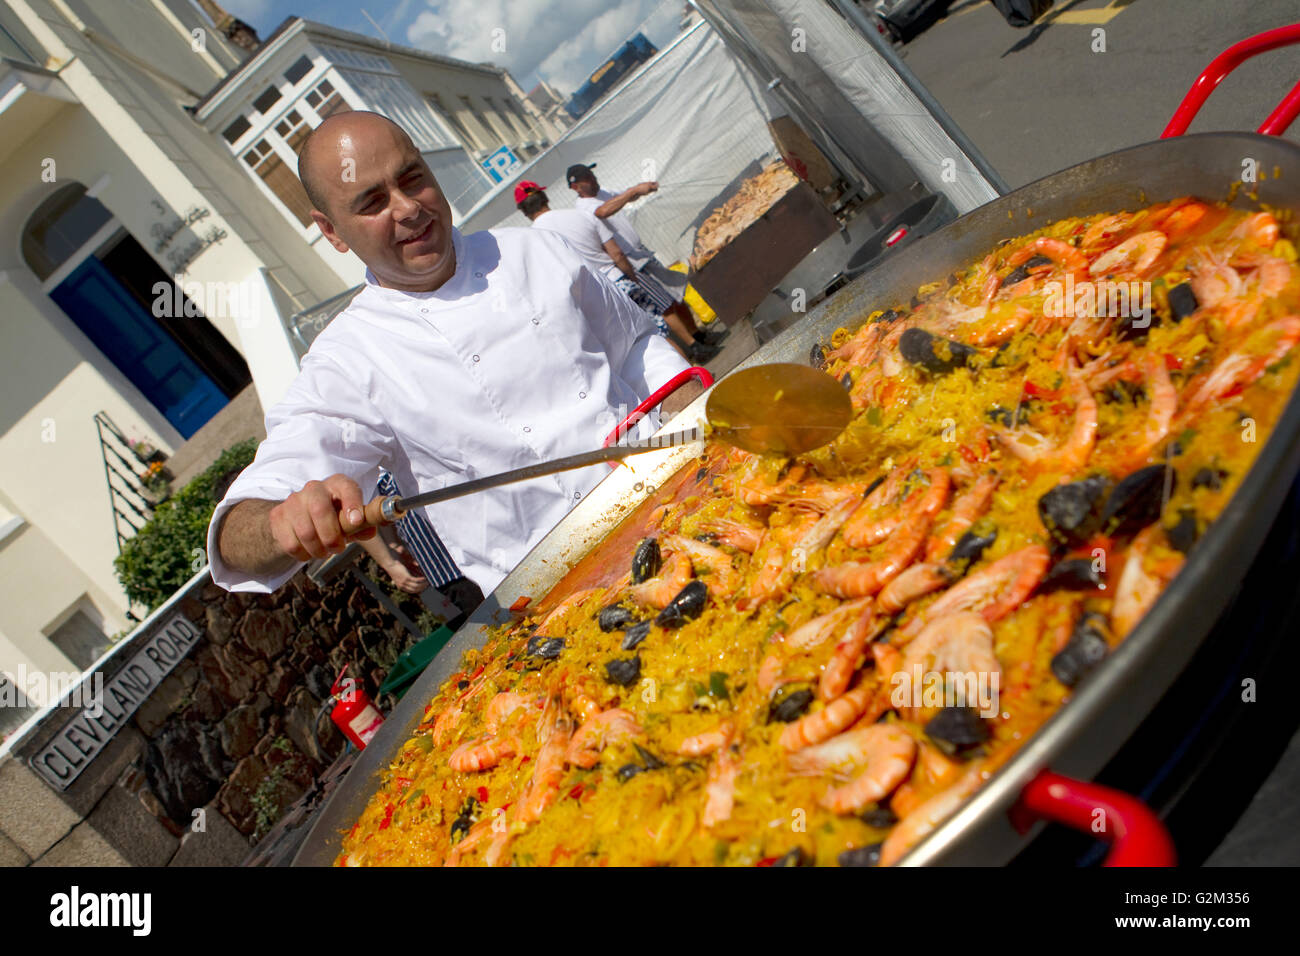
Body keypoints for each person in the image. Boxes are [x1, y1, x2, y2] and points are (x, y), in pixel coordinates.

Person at [207, 112, 695, 599]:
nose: (407, 209)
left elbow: (634, 345)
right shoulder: (347, 359)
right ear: (332, 232)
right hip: (554, 598)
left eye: (412, 179)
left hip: (677, 502)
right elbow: (237, 532)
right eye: (373, 202)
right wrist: (280, 524)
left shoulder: (533, 250)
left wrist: (699, 421)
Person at [515, 181, 719, 365]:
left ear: (523, 211)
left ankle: (683, 375)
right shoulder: (579, 215)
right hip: (618, 278)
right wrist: (631, 277)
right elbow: (616, 252)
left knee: (642, 341)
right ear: (545, 198)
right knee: (658, 330)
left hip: (593, 295)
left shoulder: (535, 239)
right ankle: (690, 369)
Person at [567, 163, 727, 349]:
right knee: (663, 303)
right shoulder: (583, 207)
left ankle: (698, 334)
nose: (593, 179)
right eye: (587, 178)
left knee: (674, 294)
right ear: (575, 187)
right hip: (630, 261)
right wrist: (632, 191)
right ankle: (693, 346)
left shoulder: (603, 193)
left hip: (640, 252)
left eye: (591, 175)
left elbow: (623, 196)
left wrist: (642, 189)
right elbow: (604, 211)